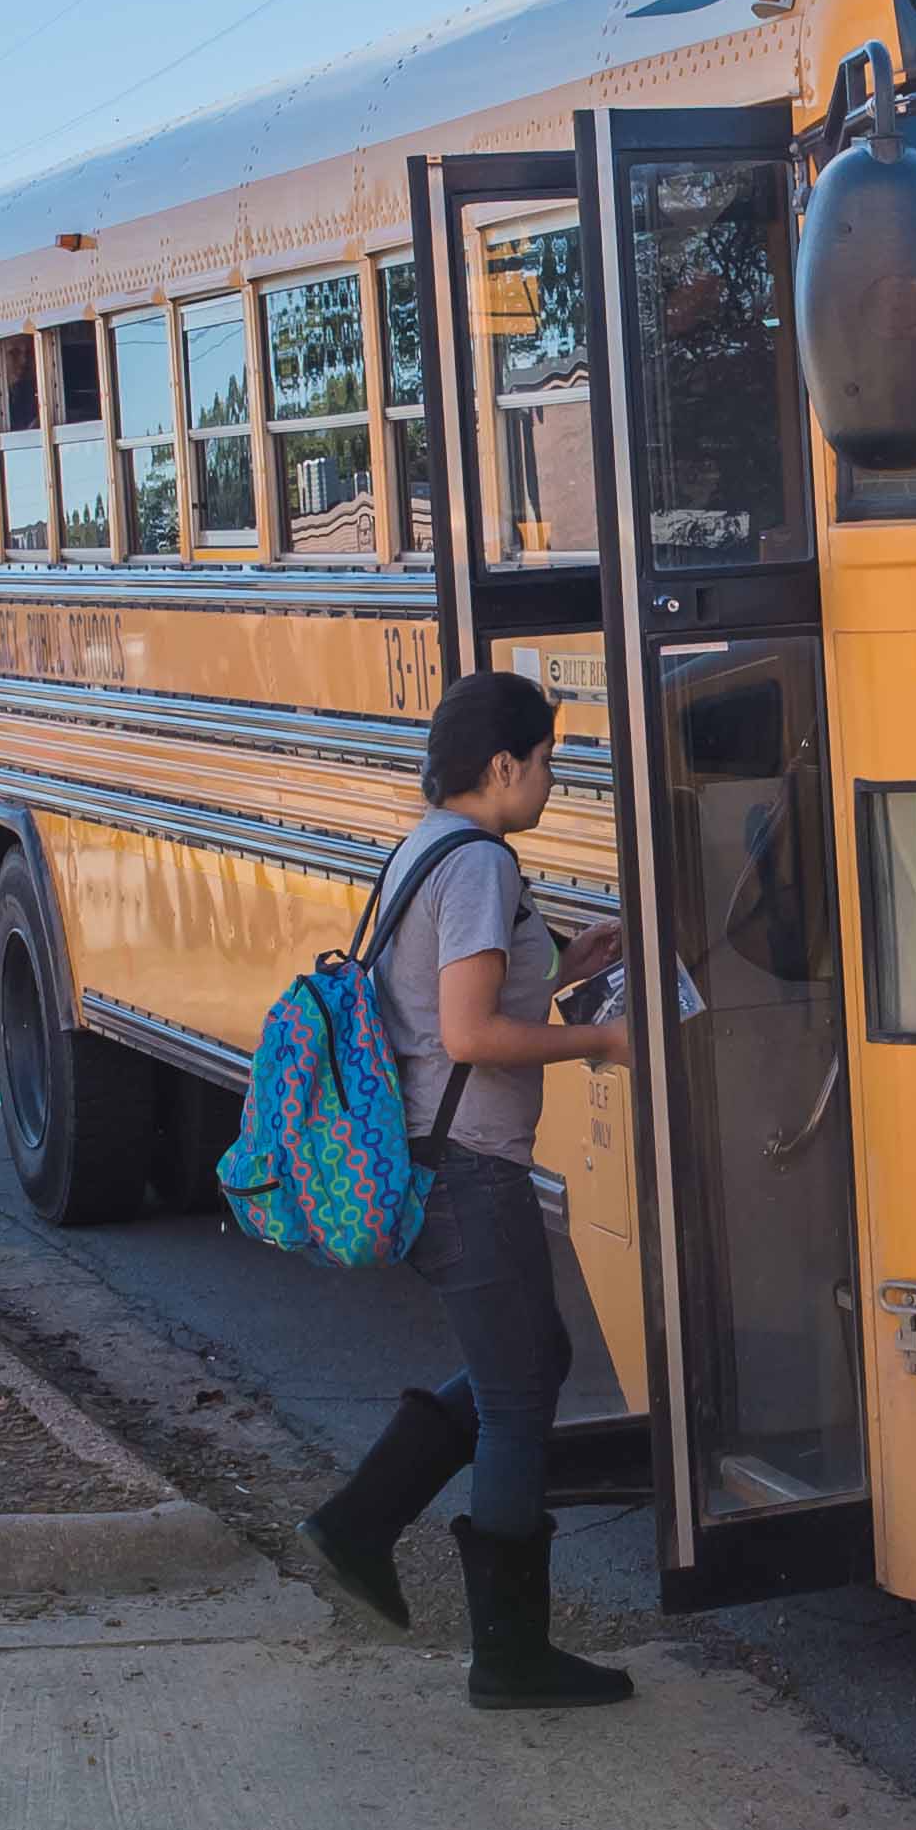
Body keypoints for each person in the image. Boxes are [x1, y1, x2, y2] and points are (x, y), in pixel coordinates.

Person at [291, 670, 637, 1710]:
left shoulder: (424, 845)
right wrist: (606, 1035)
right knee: (520, 1392)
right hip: (468, 1171)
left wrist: (567, 968)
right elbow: (469, 1034)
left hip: (435, 1161)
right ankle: (508, 1652)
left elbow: (453, 1005)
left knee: (526, 1364)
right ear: (503, 765)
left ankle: (359, 1521)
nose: (550, 781)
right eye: (546, 762)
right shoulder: (481, 863)